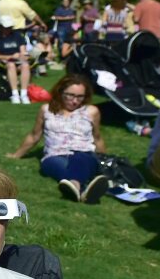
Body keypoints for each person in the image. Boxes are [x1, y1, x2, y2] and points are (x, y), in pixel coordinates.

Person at [7, 74, 109, 203]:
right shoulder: (46, 110)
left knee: (81, 159)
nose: (75, 101)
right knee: (55, 165)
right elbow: (34, 136)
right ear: (60, 92)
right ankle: (83, 188)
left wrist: (105, 160)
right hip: (54, 155)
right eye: (70, 95)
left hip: (84, 152)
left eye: (79, 97)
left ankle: (75, 187)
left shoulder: (91, 111)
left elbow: (97, 138)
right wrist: (16, 155)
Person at [0, 15, 32, 104]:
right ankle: (15, 94)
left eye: (10, 27)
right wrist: (10, 57)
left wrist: (22, 55)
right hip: (3, 63)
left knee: (25, 65)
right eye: (6, 27)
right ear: (1, 27)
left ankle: (23, 93)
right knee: (11, 65)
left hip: (18, 60)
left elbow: (23, 51)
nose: (8, 29)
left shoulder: (17, 36)